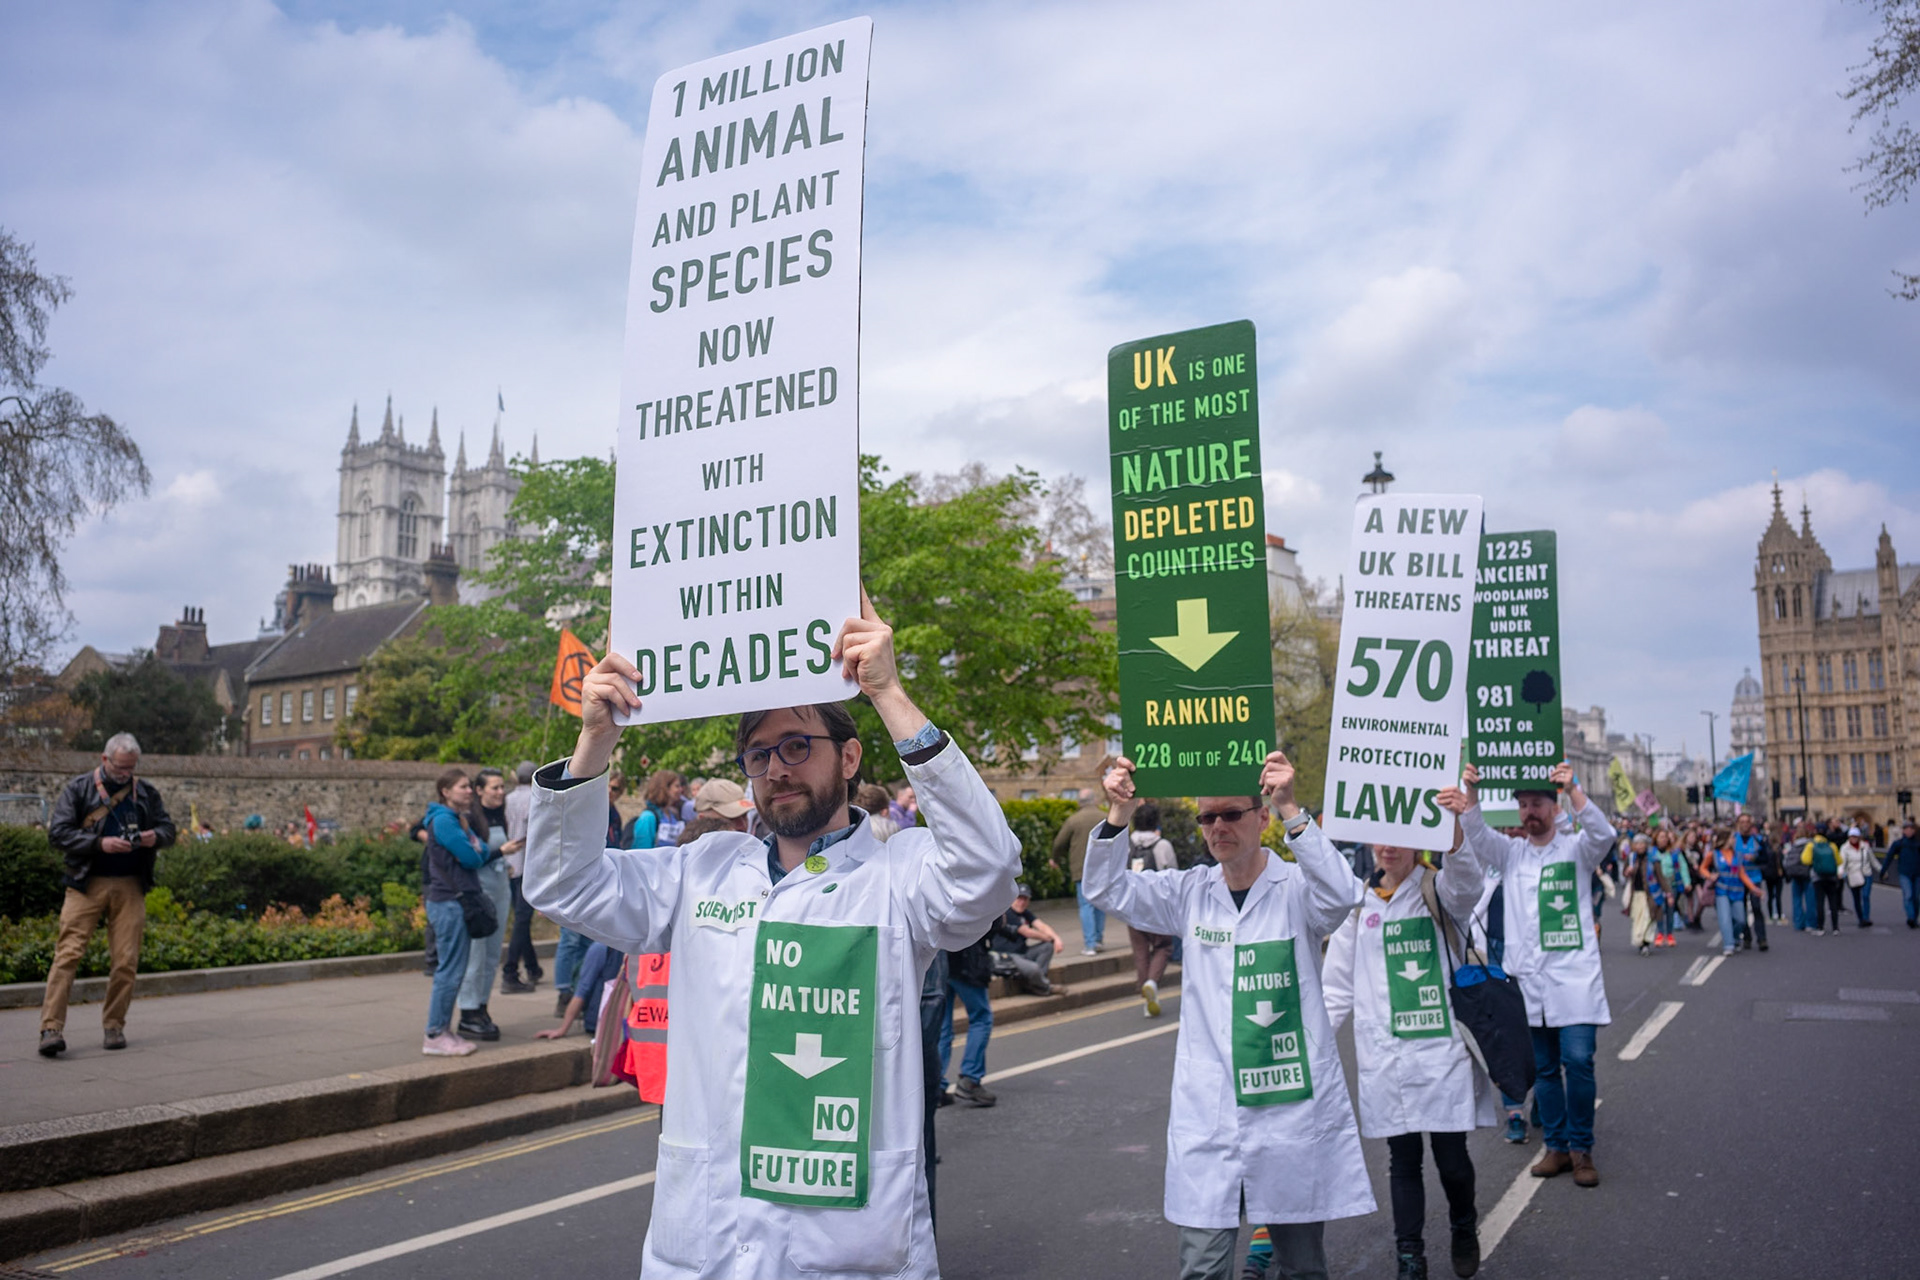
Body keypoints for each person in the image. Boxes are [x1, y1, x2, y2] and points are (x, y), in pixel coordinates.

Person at [521, 591, 1020, 1277]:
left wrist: (890, 693)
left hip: (847, 1245)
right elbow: (562, 884)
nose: (776, 769)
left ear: (849, 758)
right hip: (708, 1241)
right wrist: (596, 738)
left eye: (795, 745)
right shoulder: (702, 870)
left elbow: (988, 871)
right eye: (758, 755)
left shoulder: (900, 875)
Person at [1086, 752, 1373, 1280]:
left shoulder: (1299, 890)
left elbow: (1341, 894)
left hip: (1287, 1110)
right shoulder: (1190, 893)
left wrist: (1292, 807)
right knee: (1201, 1268)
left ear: (1261, 818)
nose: (1218, 826)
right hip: (1210, 1113)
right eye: (1206, 817)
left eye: (1231, 814)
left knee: (1302, 1268)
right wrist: (1118, 814)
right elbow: (1106, 890)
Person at [1323, 829, 1491, 1280]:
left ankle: (1462, 1225)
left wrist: (1454, 838)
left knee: (1452, 1160)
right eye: (1379, 839)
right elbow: (1336, 988)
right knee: (1403, 1160)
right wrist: (1308, 1043)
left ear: (1418, 840)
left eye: (1398, 838)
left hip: (1439, 1054)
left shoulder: (1439, 889)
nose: (1388, 847)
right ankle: (1410, 1257)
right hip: (1387, 1057)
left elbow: (1469, 883)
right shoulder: (1358, 905)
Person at [1450, 761, 1616, 1188]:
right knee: (1543, 1071)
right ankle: (1557, 1147)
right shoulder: (1512, 855)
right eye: (1523, 805)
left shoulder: (1576, 849)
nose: (1529, 812)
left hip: (1574, 980)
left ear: (1554, 806)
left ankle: (1582, 1149)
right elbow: (1478, 834)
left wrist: (1576, 789)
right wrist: (1471, 789)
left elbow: (1605, 835)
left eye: (1537, 803)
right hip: (1528, 984)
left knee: (1578, 1062)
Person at [38, 733, 177, 1057]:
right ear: (104, 760)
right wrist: (99, 843)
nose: (125, 774)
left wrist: (151, 837)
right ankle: (51, 1028)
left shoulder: (145, 792)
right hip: (86, 883)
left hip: (129, 883)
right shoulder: (78, 789)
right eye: (119, 767)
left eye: (130, 768)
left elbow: (168, 830)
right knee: (68, 955)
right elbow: (57, 834)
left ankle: (114, 1025)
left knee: (126, 960)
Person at [423, 767, 490, 1056]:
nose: (470, 791)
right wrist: (475, 848)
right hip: (449, 902)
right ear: (446, 792)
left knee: (454, 970)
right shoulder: (445, 821)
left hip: (453, 901)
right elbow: (473, 859)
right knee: (449, 971)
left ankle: (443, 1030)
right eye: (463, 786)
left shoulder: (457, 820)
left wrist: (475, 848)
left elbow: (483, 851)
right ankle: (435, 1034)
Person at [456, 768, 513, 1041]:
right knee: (475, 956)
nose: (500, 792)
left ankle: (482, 1005)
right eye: (494, 788)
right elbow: (471, 858)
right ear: (479, 791)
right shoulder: (468, 818)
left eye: (502, 787)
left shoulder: (501, 816)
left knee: (492, 956)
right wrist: (500, 852)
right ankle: (468, 1012)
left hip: (501, 889)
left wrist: (506, 862)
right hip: (480, 892)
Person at [1053, 770, 1113, 955]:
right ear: (1094, 800)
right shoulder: (1105, 817)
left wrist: (1055, 859)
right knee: (1100, 904)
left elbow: (1059, 843)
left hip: (1081, 869)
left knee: (1086, 905)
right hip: (1103, 867)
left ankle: (1090, 944)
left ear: (1079, 803)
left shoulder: (1073, 820)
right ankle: (1099, 939)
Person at [1127, 802, 1179, 1017]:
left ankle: (1145, 993)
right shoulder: (1162, 845)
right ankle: (1152, 983)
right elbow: (1173, 874)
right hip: (1157, 904)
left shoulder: (1128, 843)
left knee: (1140, 951)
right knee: (1163, 946)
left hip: (1132, 904)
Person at [939, 930, 998, 1106]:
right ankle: (970, 1079)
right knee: (981, 1017)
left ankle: (935, 1086)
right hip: (968, 958)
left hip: (939, 958)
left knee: (942, 1025)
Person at [535, 939, 627, 1041]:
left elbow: (582, 989)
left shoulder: (601, 947)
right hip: (617, 1020)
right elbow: (582, 991)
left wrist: (562, 1029)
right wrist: (562, 1029)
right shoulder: (604, 948)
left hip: (606, 1021)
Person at [500, 761, 541, 993]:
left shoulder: (507, 799)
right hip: (526, 865)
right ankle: (510, 970)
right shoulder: (536, 799)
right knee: (522, 920)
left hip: (509, 863)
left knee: (521, 919)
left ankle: (533, 967)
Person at [989, 882, 1066, 995]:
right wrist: (1050, 938)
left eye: (1025, 899)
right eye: (1019, 898)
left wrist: (1056, 938)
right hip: (1007, 956)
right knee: (1033, 968)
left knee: (1047, 947)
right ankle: (1046, 987)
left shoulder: (1025, 913)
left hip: (1023, 952)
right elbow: (1027, 932)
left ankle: (1035, 982)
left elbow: (1041, 926)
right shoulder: (1007, 912)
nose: (1022, 902)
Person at [1702, 833, 1764, 958]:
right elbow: (1703, 868)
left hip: (1737, 891)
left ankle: (1735, 938)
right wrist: (1710, 876)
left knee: (1740, 919)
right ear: (1725, 839)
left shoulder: (1737, 854)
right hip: (1722, 890)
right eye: (1732, 837)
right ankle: (1728, 945)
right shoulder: (1714, 854)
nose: (1735, 840)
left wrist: (1753, 888)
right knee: (1725, 918)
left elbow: (1742, 873)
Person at [1730, 815, 1770, 951]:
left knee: (1756, 907)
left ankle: (1762, 939)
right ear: (1738, 824)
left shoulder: (1758, 839)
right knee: (1741, 910)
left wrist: (1755, 858)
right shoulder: (1733, 840)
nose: (1745, 824)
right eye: (1742, 822)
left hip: (1755, 878)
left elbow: (1766, 858)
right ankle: (1746, 937)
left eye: (1747, 822)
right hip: (1738, 879)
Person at [625, 770, 687, 849]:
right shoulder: (648, 817)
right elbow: (641, 852)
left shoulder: (673, 815)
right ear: (665, 788)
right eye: (677, 786)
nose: (680, 790)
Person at [1803, 826, 1845, 935]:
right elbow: (1839, 861)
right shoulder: (1831, 845)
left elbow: (1805, 860)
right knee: (1833, 903)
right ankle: (1835, 928)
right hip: (1831, 877)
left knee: (1820, 902)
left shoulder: (1811, 845)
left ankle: (1820, 927)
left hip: (1818, 877)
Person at [1841, 827, 1880, 927]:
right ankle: (1861, 918)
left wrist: (1881, 870)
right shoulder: (1845, 848)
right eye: (1851, 837)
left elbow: (1873, 860)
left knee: (1866, 896)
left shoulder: (1865, 846)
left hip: (1865, 873)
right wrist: (1840, 873)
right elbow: (1842, 863)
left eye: (1855, 837)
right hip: (1853, 874)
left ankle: (1866, 917)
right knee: (1856, 898)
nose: (1853, 839)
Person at [1888, 818, 1920, 928]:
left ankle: (1915, 918)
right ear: (1903, 831)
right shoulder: (1899, 844)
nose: (1909, 831)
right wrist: (1883, 871)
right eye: (1907, 829)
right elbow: (1889, 857)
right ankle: (1910, 917)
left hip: (1917, 873)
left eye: (1911, 829)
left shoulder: (1918, 843)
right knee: (1908, 895)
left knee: (1916, 898)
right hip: (1904, 873)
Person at [1785, 820, 1816, 931]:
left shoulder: (1792, 845)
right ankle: (1810, 923)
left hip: (1795, 874)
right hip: (1808, 874)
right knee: (1810, 899)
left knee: (1796, 899)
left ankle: (1798, 923)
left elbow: (1786, 860)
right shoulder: (1811, 844)